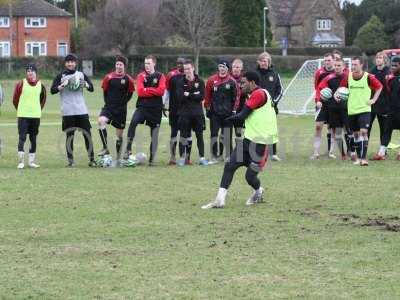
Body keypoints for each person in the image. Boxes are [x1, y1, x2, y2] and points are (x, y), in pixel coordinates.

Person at [202, 71, 277, 209]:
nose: (240, 85)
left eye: (243, 82)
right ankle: (219, 200)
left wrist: (225, 119)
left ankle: (258, 191)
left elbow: (243, 115)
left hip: (260, 145)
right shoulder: (258, 93)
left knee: (250, 177)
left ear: (252, 83)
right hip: (248, 141)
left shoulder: (258, 94)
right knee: (229, 166)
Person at [50, 53, 96, 167]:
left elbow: (92, 88)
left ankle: (92, 159)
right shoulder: (60, 76)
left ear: (75, 63)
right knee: (70, 136)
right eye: (68, 62)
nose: (70, 63)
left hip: (81, 110)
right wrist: (61, 86)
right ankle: (71, 161)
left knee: (87, 135)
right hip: (68, 111)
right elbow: (52, 90)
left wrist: (85, 84)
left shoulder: (81, 75)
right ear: (65, 63)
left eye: (72, 62)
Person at [124, 55, 166, 165]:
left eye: (149, 63)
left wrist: (148, 89)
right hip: (142, 107)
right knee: (133, 122)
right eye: (145, 63)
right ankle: (128, 150)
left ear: (154, 64)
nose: (146, 65)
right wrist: (153, 90)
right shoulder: (141, 76)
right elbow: (140, 92)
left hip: (156, 109)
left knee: (154, 134)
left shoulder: (160, 76)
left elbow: (161, 91)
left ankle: (152, 160)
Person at [345, 57, 383, 166]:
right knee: (356, 135)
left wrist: (374, 100)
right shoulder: (348, 77)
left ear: (361, 65)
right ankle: (358, 158)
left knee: (363, 132)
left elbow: (379, 87)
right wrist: (338, 95)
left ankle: (363, 158)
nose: (353, 66)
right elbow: (341, 88)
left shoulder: (368, 77)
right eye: (352, 64)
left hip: (365, 109)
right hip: (352, 110)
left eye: (355, 64)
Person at [98, 55, 135, 162]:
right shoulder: (108, 77)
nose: (119, 66)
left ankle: (119, 155)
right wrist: (109, 103)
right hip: (109, 108)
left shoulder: (128, 79)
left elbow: (131, 93)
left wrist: (123, 103)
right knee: (101, 121)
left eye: (121, 65)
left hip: (121, 110)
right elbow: (104, 92)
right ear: (115, 65)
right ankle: (105, 148)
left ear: (124, 66)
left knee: (119, 135)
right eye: (117, 64)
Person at [204, 59, 240, 164]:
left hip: (228, 114)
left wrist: (234, 110)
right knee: (214, 134)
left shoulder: (232, 81)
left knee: (226, 135)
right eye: (220, 66)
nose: (222, 69)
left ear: (227, 69)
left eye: (224, 67)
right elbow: (207, 95)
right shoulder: (211, 80)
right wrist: (207, 107)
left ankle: (229, 156)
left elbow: (236, 96)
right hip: (215, 113)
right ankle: (215, 157)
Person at [13, 64, 46, 169]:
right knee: (22, 137)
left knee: (33, 138)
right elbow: (15, 99)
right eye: (28, 71)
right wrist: (21, 109)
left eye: (32, 71)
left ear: (36, 72)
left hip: (35, 116)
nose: (30, 73)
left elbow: (43, 100)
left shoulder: (41, 85)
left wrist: (36, 110)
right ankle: (21, 161)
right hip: (23, 115)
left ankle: (31, 162)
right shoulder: (21, 83)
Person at [175, 59, 208, 166]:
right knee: (183, 136)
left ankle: (202, 158)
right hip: (184, 114)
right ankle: (182, 158)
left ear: (193, 68)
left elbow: (201, 97)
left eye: (189, 68)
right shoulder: (180, 82)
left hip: (197, 114)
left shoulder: (200, 81)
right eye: (185, 69)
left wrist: (188, 94)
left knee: (199, 136)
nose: (187, 71)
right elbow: (179, 98)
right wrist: (194, 94)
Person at [317, 58, 349, 160]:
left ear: (344, 67)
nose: (337, 67)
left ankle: (351, 151)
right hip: (333, 109)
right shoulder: (328, 78)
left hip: (346, 108)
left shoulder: (349, 77)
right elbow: (321, 89)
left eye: (339, 65)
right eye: (335, 65)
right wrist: (321, 98)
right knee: (337, 132)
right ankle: (343, 154)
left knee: (348, 131)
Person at [255, 52, 283, 161]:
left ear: (269, 62)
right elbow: (248, 89)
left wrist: (273, 102)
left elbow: (280, 91)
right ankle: (257, 153)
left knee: (271, 130)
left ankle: (273, 154)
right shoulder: (254, 74)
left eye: (265, 61)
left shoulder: (275, 74)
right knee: (257, 129)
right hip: (256, 108)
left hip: (271, 108)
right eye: (261, 61)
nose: (263, 63)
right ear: (258, 62)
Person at [311, 53, 335, 159]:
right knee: (318, 127)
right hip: (321, 103)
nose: (327, 62)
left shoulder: (337, 71)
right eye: (325, 60)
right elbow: (317, 88)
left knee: (331, 128)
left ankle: (331, 152)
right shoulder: (319, 72)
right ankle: (316, 152)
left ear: (333, 60)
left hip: (333, 104)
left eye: (329, 60)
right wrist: (317, 100)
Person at [369, 52, 391, 160]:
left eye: (380, 58)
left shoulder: (388, 72)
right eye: (377, 57)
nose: (378, 59)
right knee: (367, 127)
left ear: (385, 60)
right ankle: (363, 148)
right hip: (372, 104)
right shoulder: (371, 72)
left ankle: (383, 151)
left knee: (384, 129)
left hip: (384, 106)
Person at [164, 57, 186, 165]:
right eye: (178, 63)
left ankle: (182, 157)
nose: (179, 65)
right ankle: (172, 157)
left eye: (181, 63)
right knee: (173, 133)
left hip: (185, 110)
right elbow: (167, 91)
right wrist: (163, 104)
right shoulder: (171, 75)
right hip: (173, 109)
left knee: (183, 133)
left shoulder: (189, 75)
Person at [384, 56, 400, 160]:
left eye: (396, 65)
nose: (393, 67)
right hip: (392, 110)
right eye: (392, 65)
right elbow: (388, 93)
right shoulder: (389, 78)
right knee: (387, 130)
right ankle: (382, 153)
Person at [231, 58, 246, 140]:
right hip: (229, 109)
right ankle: (228, 151)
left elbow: (246, 92)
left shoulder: (245, 79)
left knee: (238, 132)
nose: (235, 69)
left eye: (238, 67)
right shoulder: (228, 78)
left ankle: (239, 151)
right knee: (226, 131)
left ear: (241, 68)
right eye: (234, 67)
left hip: (241, 109)